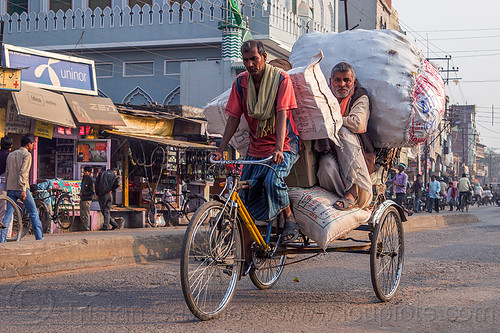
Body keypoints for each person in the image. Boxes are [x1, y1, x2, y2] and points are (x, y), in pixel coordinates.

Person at [211, 40, 300, 244]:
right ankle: (243, 241)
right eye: (245, 60)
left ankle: (290, 219)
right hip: (256, 147)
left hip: (285, 144)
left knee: (272, 182)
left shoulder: (281, 79)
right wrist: (220, 149)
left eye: (254, 59)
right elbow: (234, 117)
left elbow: (281, 114)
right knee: (242, 190)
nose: (250, 64)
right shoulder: (241, 83)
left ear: (264, 57)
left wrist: (278, 149)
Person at [316, 62, 374, 211]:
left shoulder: (360, 96)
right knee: (325, 166)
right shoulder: (324, 97)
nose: (342, 84)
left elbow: (358, 124)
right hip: (330, 150)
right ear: (330, 82)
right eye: (337, 80)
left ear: (353, 82)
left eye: (346, 80)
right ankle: (334, 197)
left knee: (342, 130)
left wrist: (332, 120)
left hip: (357, 152)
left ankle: (352, 193)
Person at [0, 134, 43, 242]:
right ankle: (39, 237)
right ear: (29, 144)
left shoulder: (11, 154)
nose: (33, 145)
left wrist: (9, 186)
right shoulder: (27, 155)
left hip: (10, 189)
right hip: (21, 189)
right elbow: (24, 173)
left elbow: (8, 172)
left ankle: (2, 239)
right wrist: (23, 189)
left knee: (8, 215)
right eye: (32, 143)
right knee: (33, 212)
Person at [0, 136, 13, 229]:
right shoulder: (10, 156)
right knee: (4, 209)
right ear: (11, 146)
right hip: (4, 183)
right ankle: (3, 234)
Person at [80, 166, 94, 231]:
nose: (84, 173)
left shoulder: (90, 180)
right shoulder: (84, 178)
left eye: (86, 171)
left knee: (86, 214)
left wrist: (84, 194)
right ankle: (83, 226)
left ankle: (87, 228)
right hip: (82, 198)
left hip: (87, 199)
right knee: (82, 214)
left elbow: (91, 191)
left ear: (89, 172)